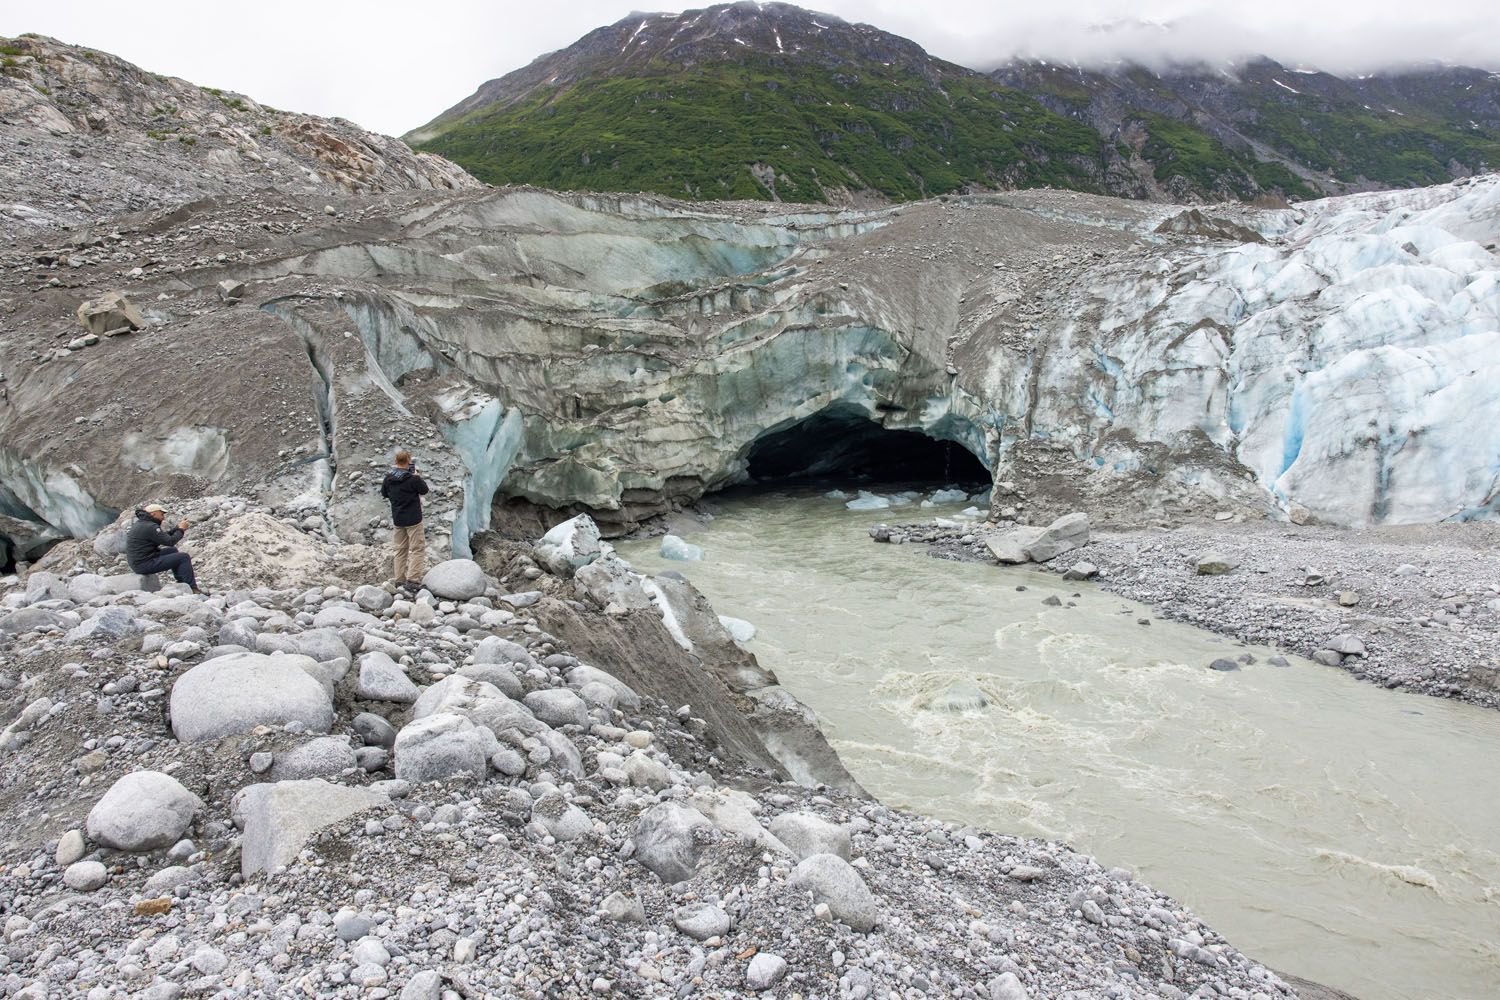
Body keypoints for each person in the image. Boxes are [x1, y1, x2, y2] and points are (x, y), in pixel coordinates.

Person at [126, 503, 202, 593]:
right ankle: (192, 588)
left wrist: (177, 528)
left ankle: (182, 581)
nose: (163, 517)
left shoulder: (143, 523)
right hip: (143, 564)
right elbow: (170, 541)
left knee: (172, 551)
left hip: (140, 561)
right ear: (153, 514)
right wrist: (181, 530)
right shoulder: (150, 526)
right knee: (183, 557)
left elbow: (162, 537)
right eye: (161, 514)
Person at [381, 450, 429, 591]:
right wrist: (417, 477)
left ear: (396, 461)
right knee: (417, 549)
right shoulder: (413, 479)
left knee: (400, 550)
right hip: (414, 519)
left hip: (398, 519)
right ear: (408, 461)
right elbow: (424, 490)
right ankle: (413, 580)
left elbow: (384, 493)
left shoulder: (388, 478)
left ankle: (399, 580)